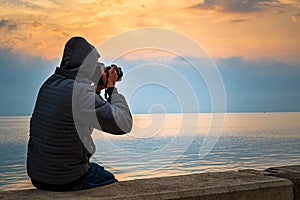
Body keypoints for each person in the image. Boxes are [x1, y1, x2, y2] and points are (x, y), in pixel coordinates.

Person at [27, 36, 132, 191]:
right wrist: (111, 88)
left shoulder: (50, 83)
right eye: (94, 64)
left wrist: (96, 90)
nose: (97, 68)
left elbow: (79, 113)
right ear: (87, 65)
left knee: (95, 168)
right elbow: (123, 124)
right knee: (111, 182)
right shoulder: (80, 94)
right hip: (64, 178)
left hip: (39, 176)